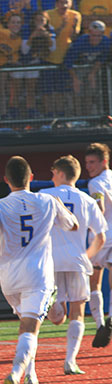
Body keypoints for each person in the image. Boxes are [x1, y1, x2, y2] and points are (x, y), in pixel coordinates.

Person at [0, 156, 78, 384]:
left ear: (6, 181)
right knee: (30, 327)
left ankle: (31, 375)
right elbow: (73, 225)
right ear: (31, 177)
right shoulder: (48, 200)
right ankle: (17, 373)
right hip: (37, 275)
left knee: (26, 324)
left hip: (8, 276)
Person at [40, 155, 107, 375]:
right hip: (77, 259)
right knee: (77, 311)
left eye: (53, 172)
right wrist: (88, 256)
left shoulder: (44, 195)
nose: (52, 176)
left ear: (60, 173)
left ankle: (53, 305)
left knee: (56, 316)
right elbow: (101, 237)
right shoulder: (87, 199)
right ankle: (70, 361)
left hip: (51, 260)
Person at [84, 143, 112, 348]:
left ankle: (101, 325)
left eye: (92, 162)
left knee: (94, 283)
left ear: (103, 161)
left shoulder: (95, 183)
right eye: (86, 163)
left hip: (101, 236)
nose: (88, 166)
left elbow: (99, 208)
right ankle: (109, 319)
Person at [41, 0, 81, 117]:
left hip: (64, 58)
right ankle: (48, 115)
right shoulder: (47, 14)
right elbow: (48, 36)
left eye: (66, 2)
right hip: (48, 57)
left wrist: (74, 26)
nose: (64, 6)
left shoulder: (75, 15)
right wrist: (62, 26)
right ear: (56, 3)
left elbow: (74, 37)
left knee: (61, 90)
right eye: (61, 2)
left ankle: (60, 115)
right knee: (47, 90)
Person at [64, 20, 110, 116]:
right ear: (89, 33)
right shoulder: (80, 42)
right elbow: (68, 62)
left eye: (99, 36)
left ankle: (89, 117)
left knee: (90, 92)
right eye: (93, 35)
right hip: (77, 68)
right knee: (77, 93)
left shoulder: (106, 42)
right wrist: (75, 79)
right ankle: (78, 117)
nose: (96, 38)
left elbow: (101, 59)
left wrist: (92, 73)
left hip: (92, 67)